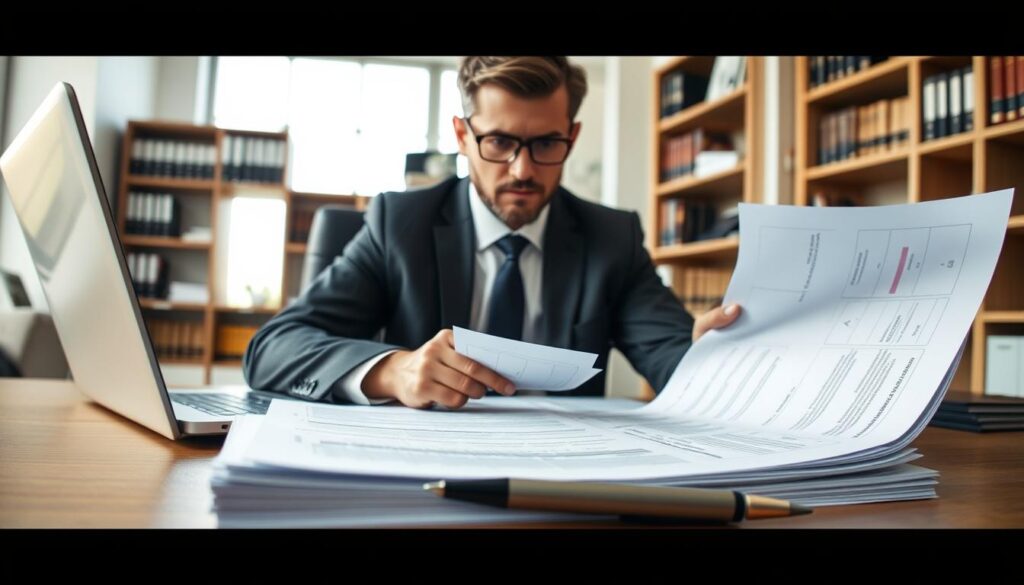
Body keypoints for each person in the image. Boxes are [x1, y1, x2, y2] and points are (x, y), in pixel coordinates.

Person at [242, 56, 740, 409]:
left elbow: (675, 360)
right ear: (463, 136)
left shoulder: (612, 238)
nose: (523, 170)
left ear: (572, 136)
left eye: (546, 143)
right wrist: (393, 371)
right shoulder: (400, 225)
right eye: (499, 141)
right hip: (420, 473)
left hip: (567, 480)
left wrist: (708, 359)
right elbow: (274, 347)